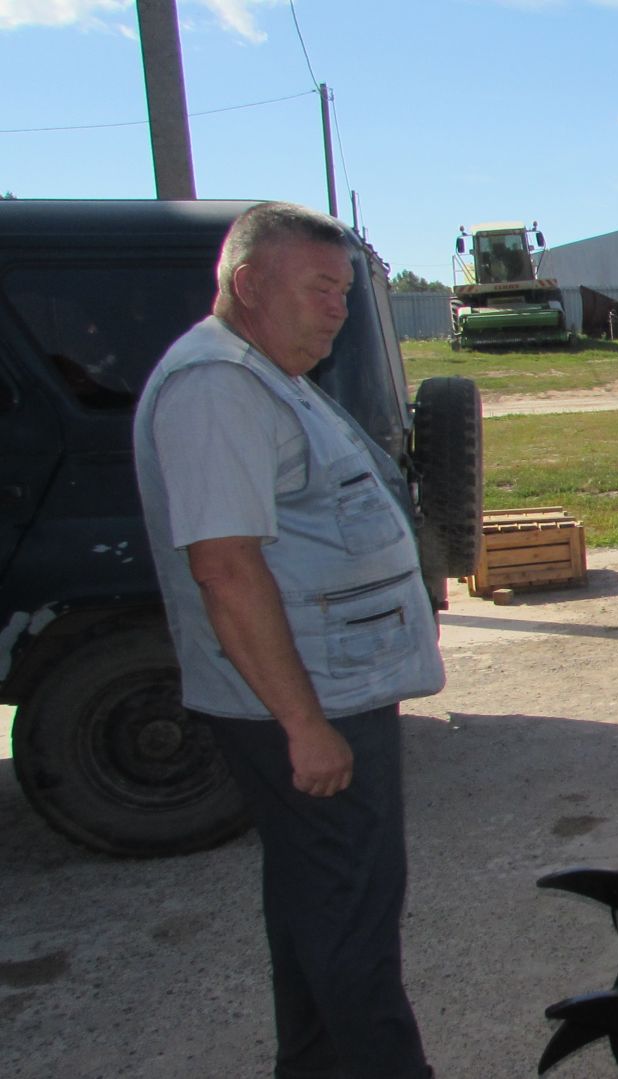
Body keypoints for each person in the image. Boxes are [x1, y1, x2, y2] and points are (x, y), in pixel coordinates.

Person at [132, 201, 443, 1079]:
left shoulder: (267, 376)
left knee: (319, 909)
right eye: (319, 289)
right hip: (307, 702)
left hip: (327, 690)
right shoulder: (217, 387)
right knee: (352, 919)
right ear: (246, 284)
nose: (338, 309)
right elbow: (226, 571)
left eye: (344, 291)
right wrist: (304, 725)